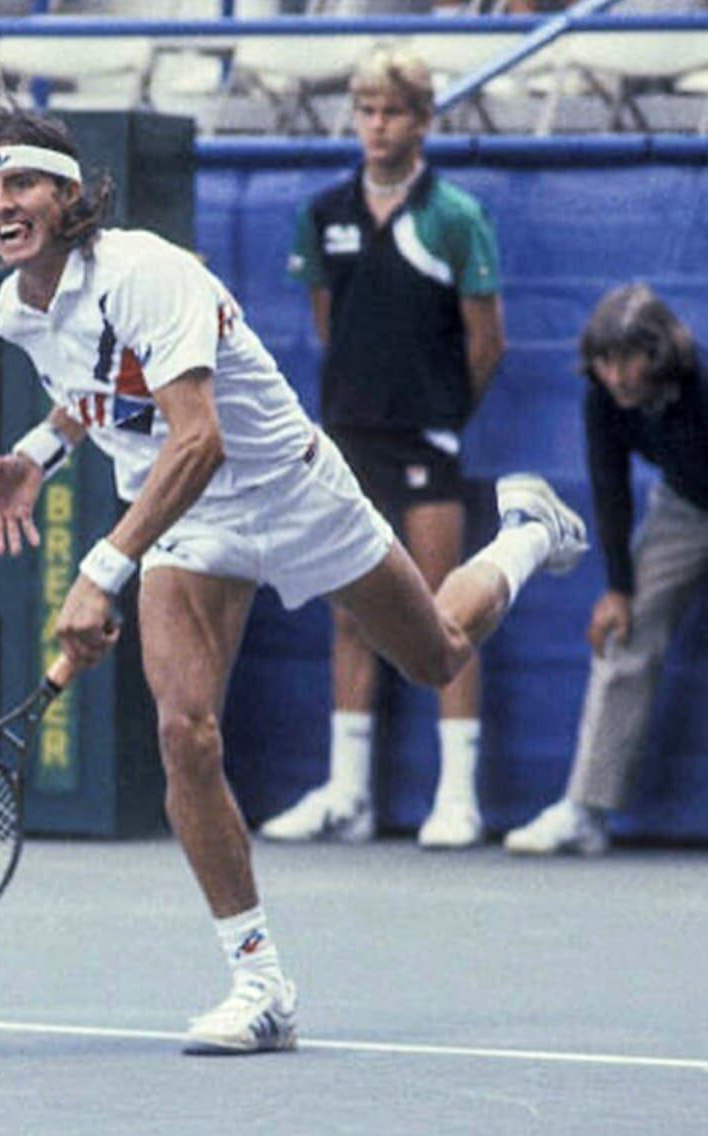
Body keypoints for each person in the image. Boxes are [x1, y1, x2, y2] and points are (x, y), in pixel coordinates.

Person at [0, 82, 586, 1054]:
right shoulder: (20, 307)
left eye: (22, 183)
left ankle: (526, 534)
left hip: (287, 488)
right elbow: (98, 394)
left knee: (439, 655)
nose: (2, 205)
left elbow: (195, 439)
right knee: (184, 733)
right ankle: (260, 984)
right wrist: (39, 451)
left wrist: (102, 570)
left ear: (69, 196)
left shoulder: (146, 272)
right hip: (188, 528)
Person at [262, 49, 506, 850]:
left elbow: (487, 342)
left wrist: (438, 414)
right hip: (348, 441)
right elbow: (330, 323)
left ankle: (458, 799)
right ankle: (347, 797)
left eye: (392, 112)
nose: (376, 126)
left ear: (424, 121)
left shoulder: (456, 217)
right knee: (349, 617)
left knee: (440, 610)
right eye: (365, 111)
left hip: (427, 442)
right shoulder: (324, 212)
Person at [505, 285, 708, 856]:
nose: (616, 375)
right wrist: (619, 588)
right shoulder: (602, 398)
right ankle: (584, 811)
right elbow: (610, 487)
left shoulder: (702, 385)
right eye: (604, 360)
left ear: (659, 351)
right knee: (626, 634)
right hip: (685, 509)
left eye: (628, 359)